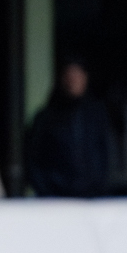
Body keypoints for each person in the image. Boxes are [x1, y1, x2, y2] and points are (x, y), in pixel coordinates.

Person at [26, 60, 112, 198]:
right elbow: (34, 160)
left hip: (92, 197)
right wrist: (46, 191)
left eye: (77, 76)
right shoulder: (46, 118)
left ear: (85, 78)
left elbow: (105, 153)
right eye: (69, 77)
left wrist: (100, 186)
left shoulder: (96, 115)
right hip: (57, 198)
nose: (73, 82)